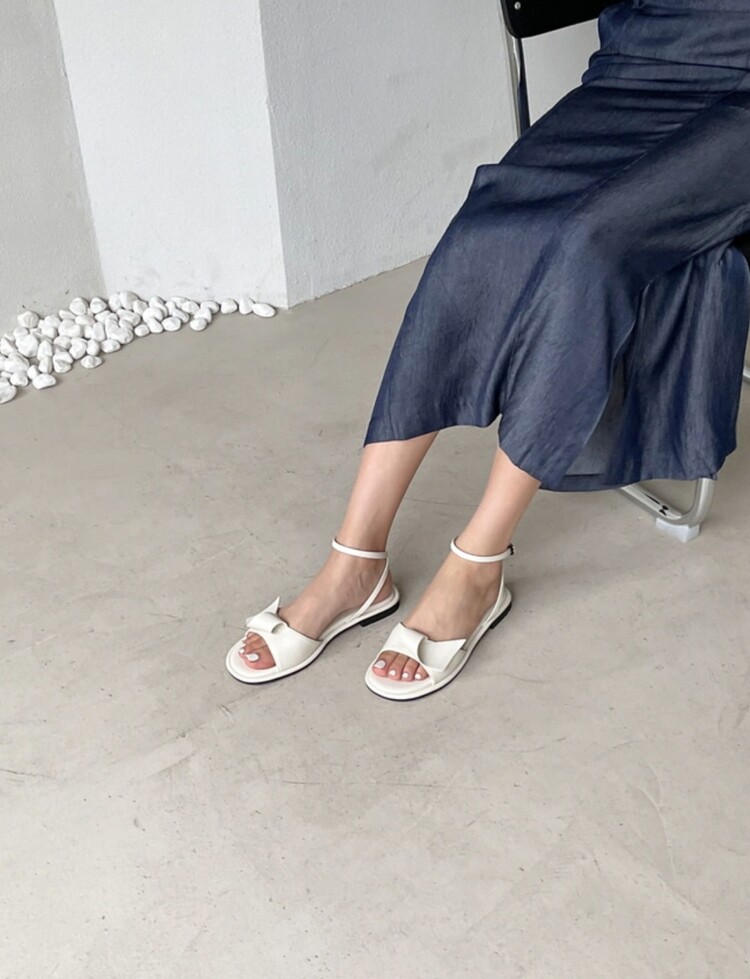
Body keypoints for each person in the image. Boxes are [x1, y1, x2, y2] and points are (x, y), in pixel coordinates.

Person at [225, 0, 750, 701]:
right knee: (479, 231)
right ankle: (356, 559)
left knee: (584, 245)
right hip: (639, 61)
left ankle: (480, 560)